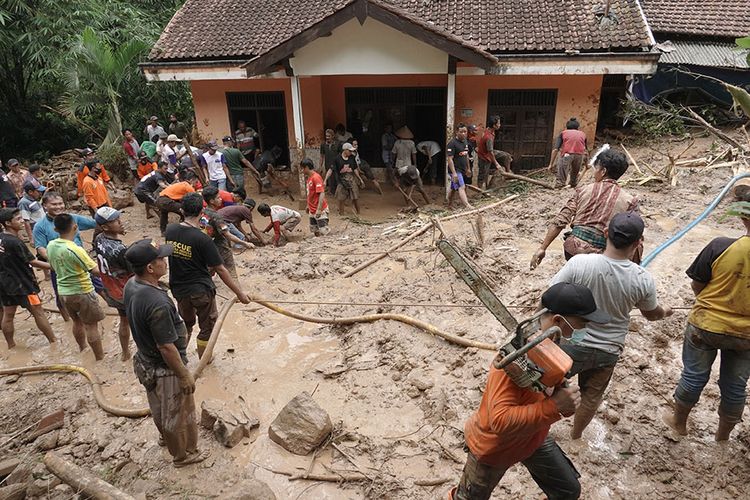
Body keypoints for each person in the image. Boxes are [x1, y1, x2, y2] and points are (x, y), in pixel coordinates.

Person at [452, 282, 610, 500]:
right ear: (557, 320)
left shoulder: (551, 341)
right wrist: (555, 407)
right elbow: (499, 420)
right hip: (495, 447)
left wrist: (557, 389)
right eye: (581, 324)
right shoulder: (512, 360)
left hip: (533, 437)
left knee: (568, 490)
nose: (583, 330)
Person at [550, 212, 673, 440]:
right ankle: (575, 437)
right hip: (607, 351)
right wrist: (665, 311)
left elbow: (551, 295)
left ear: (606, 233)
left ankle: (540, 429)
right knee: (591, 397)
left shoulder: (580, 263)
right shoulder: (642, 278)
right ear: (638, 243)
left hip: (570, 345)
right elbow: (651, 315)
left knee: (548, 387)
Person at [663, 187, 750, 441]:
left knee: (694, 375)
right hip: (746, 335)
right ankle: (722, 438)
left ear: (743, 218)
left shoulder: (720, 246)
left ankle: (679, 424)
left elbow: (697, 285)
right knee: (736, 385)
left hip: (706, 325)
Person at [124, 238, 209, 468]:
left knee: (159, 408)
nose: (165, 261)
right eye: (161, 258)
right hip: (165, 368)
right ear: (150, 268)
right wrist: (183, 375)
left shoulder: (132, 284)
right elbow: (166, 346)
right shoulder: (156, 302)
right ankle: (183, 455)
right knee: (178, 415)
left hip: (146, 361)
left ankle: (166, 439)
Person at [164, 193, 251, 358]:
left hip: (179, 289)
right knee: (207, 328)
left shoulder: (170, 230)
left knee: (186, 324)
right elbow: (221, 269)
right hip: (200, 291)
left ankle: (179, 357)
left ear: (182, 210)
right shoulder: (203, 239)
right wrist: (240, 294)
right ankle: (205, 359)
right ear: (201, 210)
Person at [530, 149, 638, 270]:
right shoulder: (630, 201)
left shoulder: (582, 190)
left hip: (574, 251)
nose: (594, 173)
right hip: (604, 258)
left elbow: (561, 220)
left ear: (603, 171)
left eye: (596, 169)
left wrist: (542, 248)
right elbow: (632, 235)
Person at [47, 214, 106, 360]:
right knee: (91, 326)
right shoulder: (75, 249)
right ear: (75, 227)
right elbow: (96, 271)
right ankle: (99, 358)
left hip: (63, 292)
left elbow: (53, 266)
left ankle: (82, 349)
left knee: (76, 322)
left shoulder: (51, 245)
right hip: (82, 291)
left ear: (55, 229)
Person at [33, 192, 99, 321]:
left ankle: (111, 305)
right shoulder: (40, 226)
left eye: (60, 203)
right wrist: (56, 261)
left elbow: (95, 223)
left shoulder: (72, 218)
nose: (58, 207)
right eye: (54, 204)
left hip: (80, 261)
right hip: (60, 266)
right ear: (45, 206)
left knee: (99, 286)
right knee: (61, 295)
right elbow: (40, 248)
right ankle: (68, 320)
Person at [0, 208, 56, 349]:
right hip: (23, 284)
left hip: (5, 284)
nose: (22, 221)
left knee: (8, 315)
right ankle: (54, 342)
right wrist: (54, 266)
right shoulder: (16, 242)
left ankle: (11, 346)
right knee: (38, 312)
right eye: (18, 219)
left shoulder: (1, 239)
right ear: (7, 223)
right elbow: (32, 261)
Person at [93, 207, 133, 361]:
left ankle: (125, 353)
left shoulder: (99, 238)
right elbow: (134, 272)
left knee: (124, 320)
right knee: (138, 320)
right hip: (125, 290)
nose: (121, 223)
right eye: (116, 221)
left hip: (110, 287)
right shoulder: (120, 249)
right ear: (105, 227)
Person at [201, 186, 255, 276]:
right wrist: (245, 243)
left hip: (208, 244)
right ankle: (235, 287)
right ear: (211, 201)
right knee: (231, 270)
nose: (221, 199)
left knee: (210, 268)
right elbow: (228, 235)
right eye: (218, 198)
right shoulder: (217, 217)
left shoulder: (203, 211)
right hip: (220, 246)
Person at [549, 118, 588, 188]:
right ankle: (573, 183)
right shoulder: (583, 134)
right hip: (579, 155)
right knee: (575, 170)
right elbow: (585, 151)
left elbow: (555, 150)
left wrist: (551, 164)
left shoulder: (563, 133)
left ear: (567, 127)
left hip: (567, 155)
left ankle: (560, 184)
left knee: (562, 168)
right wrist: (586, 164)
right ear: (578, 127)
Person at [326, 143, 363, 215]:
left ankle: (358, 213)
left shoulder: (352, 158)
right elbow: (330, 170)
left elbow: (355, 169)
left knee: (355, 197)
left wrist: (360, 179)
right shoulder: (337, 159)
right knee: (341, 198)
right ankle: (341, 213)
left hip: (351, 179)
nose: (351, 152)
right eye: (350, 151)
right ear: (345, 150)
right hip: (341, 180)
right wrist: (325, 180)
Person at [476, 116, 512, 190]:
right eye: (498, 123)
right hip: (484, 156)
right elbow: (490, 153)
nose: (500, 125)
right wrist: (496, 164)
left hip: (488, 151)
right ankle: (480, 191)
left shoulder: (490, 130)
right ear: (494, 125)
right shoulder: (488, 137)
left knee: (507, 156)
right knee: (483, 176)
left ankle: (508, 174)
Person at [446, 124, 473, 209]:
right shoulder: (452, 144)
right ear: (456, 132)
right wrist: (454, 173)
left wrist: (468, 168)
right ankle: (467, 205)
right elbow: (450, 159)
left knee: (453, 188)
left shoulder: (465, 142)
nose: (463, 134)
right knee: (462, 186)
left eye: (465, 132)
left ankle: (449, 205)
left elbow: (466, 156)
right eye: (461, 132)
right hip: (455, 170)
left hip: (462, 169)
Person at [301, 158, 329, 236]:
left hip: (319, 209)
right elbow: (310, 193)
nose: (302, 171)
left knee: (323, 231)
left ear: (306, 167)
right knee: (314, 229)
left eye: (302, 168)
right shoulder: (310, 178)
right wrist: (308, 205)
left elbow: (321, 193)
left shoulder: (316, 177)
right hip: (312, 209)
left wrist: (319, 209)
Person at [320, 129, 341, 194]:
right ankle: (331, 191)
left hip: (337, 164)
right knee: (330, 179)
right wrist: (320, 165)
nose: (327, 138)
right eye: (326, 136)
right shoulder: (323, 145)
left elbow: (341, 154)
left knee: (338, 178)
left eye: (329, 136)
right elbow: (322, 156)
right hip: (328, 164)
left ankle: (339, 192)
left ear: (333, 136)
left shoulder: (338, 144)